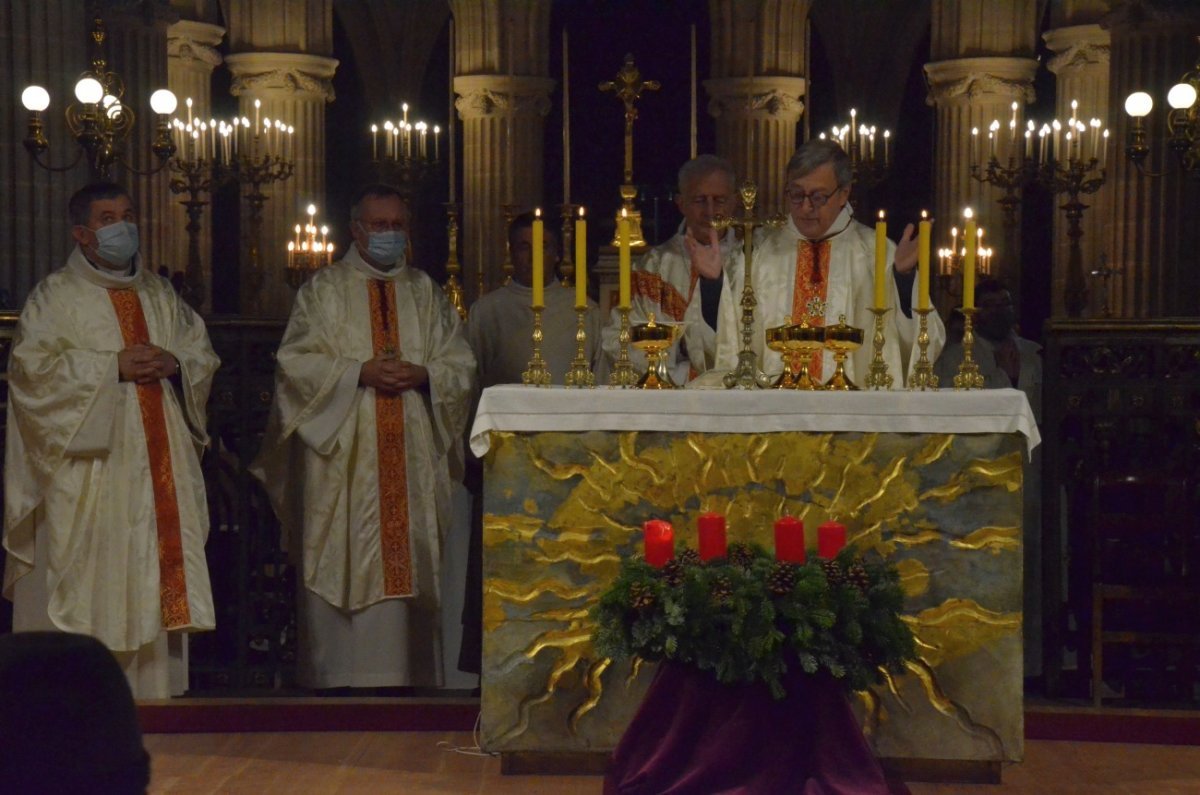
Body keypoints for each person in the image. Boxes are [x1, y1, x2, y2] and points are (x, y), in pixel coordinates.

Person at [252, 183, 476, 690]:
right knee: (344, 556)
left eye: (398, 225)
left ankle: (411, 678)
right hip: (346, 459)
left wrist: (425, 376)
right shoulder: (324, 291)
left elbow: (460, 362)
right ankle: (339, 677)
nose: (390, 235)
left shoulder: (426, 293)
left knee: (409, 564)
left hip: (413, 451)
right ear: (356, 230)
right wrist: (357, 373)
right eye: (379, 226)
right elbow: (295, 365)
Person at [3, 182, 219, 699]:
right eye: (106, 218)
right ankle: (73, 695)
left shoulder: (160, 294)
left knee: (149, 557)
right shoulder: (55, 296)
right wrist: (109, 368)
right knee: (87, 568)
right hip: (87, 469)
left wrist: (176, 364)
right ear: (81, 233)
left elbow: (200, 354)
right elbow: (32, 374)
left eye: (126, 214)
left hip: (157, 461)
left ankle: (149, 686)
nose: (121, 225)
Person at [712, 140, 944, 385]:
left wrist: (904, 279)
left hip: (850, 413)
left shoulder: (874, 252)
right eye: (796, 194)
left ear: (844, 194)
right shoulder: (757, 252)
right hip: (773, 409)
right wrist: (712, 284)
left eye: (818, 197)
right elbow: (724, 339)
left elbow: (927, 341)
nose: (805, 207)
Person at [935, 278, 1043, 678]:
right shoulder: (954, 358)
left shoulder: (1033, 353)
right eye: (992, 305)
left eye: (1007, 303)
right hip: (977, 481)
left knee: (1028, 565)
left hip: (1029, 475)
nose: (1002, 312)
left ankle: (1032, 665)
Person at [602, 154, 741, 381]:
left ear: (734, 202)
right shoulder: (653, 267)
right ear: (681, 203)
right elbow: (618, 340)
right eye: (699, 200)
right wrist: (682, 375)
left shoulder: (752, 262)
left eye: (719, 200)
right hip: (669, 396)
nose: (709, 211)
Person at [467, 212, 603, 386]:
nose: (533, 258)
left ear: (556, 254)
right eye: (524, 247)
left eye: (543, 247)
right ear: (512, 252)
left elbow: (600, 377)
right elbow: (471, 381)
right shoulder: (486, 311)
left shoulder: (583, 309)